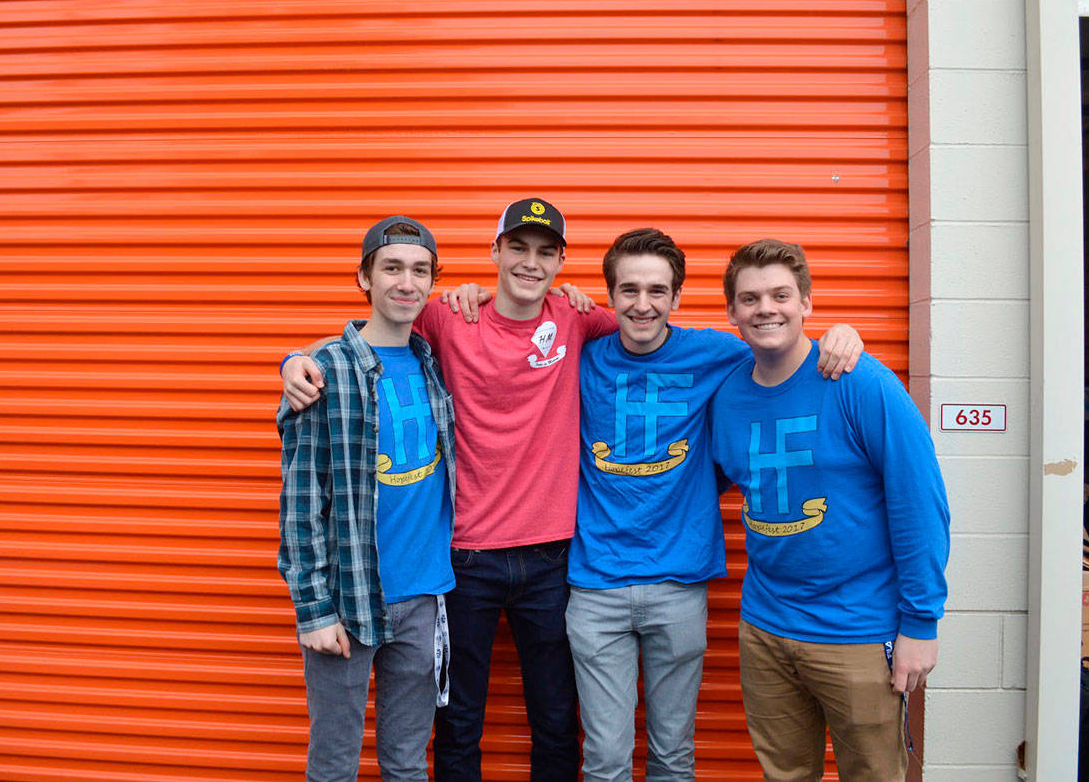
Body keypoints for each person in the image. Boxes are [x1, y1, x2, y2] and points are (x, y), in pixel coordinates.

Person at [283, 199, 615, 782]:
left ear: (562, 262)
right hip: (458, 563)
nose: (530, 262)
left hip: (536, 561)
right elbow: (355, 349)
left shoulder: (574, 317)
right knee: (450, 724)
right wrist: (293, 361)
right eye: (518, 247)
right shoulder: (444, 319)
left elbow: (648, 330)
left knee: (552, 719)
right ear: (495, 252)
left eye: (545, 252)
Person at [567, 229, 862, 782]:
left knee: (673, 754)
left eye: (658, 290)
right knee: (604, 758)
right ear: (609, 296)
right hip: (595, 584)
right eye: (629, 290)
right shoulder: (580, 357)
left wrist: (842, 335)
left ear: (677, 297)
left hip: (679, 584)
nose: (643, 304)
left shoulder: (718, 353)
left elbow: (785, 347)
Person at [709, 238, 950, 782]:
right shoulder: (726, 397)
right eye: (750, 299)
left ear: (807, 303)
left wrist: (921, 621)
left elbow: (920, 503)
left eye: (780, 295)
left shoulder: (861, 383)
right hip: (766, 628)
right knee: (784, 775)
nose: (766, 309)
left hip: (857, 631)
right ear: (731, 313)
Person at [277, 215, 456, 782]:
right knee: (334, 765)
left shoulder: (433, 362)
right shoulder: (325, 370)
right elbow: (301, 502)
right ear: (364, 278)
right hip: (348, 599)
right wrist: (313, 609)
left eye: (420, 271)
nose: (407, 283)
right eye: (392, 268)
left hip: (424, 597)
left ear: (433, 283)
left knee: (407, 763)